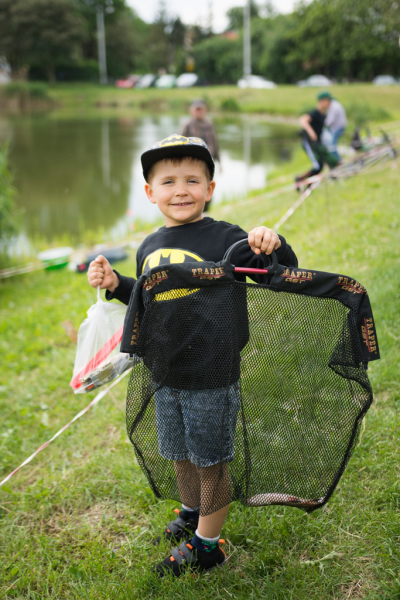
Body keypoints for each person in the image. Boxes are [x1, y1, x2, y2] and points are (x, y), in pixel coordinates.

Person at [87, 134, 298, 578]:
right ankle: (191, 510)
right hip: (164, 371)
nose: (180, 190)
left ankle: (208, 545)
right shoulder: (148, 244)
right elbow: (144, 295)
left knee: (210, 459)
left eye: (192, 180)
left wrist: (272, 243)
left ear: (210, 188)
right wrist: (115, 283)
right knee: (179, 452)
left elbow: (277, 275)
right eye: (167, 181)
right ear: (150, 193)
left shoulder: (229, 238)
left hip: (211, 370)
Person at [295, 91, 332, 189]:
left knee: (320, 165)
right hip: (308, 142)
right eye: (328, 101)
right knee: (318, 165)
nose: (329, 103)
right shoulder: (315, 113)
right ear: (321, 101)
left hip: (316, 143)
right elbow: (302, 120)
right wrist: (311, 133)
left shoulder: (323, 114)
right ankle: (299, 180)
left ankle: (309, 184)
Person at [181, 99, 220, 166]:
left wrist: (219, 162)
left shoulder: (209, 124)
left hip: (209, 160)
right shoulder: (187, 125)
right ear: (191, 110)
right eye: (197, 110)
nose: (199, 112)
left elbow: (215, 143)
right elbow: (181, 145)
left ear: (205, 110)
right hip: (193, 162)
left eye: (200, 109)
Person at [325, 94, 347, 162]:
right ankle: (338, 160)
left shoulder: (333, 107)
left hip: (337, 127)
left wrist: (324, 123)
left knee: (332, 146)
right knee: (332, 145)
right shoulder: (336, 104)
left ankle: (339, 161)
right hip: (340, 126)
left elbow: (330, 120)